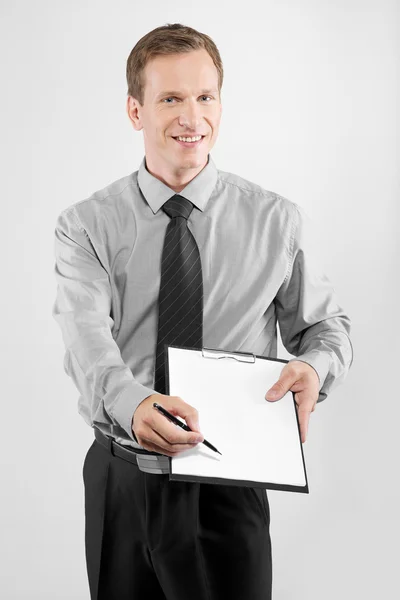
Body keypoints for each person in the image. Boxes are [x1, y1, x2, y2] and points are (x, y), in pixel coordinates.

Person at [52, 22, 353, 600]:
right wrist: (135, 404)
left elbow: (326, 327)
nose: (192, 117)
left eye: (205, 96)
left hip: (230, 482)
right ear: (135, 111)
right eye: (170, 98)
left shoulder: (275, 221)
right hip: (125, 479)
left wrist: (314, 369)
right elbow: (87, 342)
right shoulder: (86, 225)